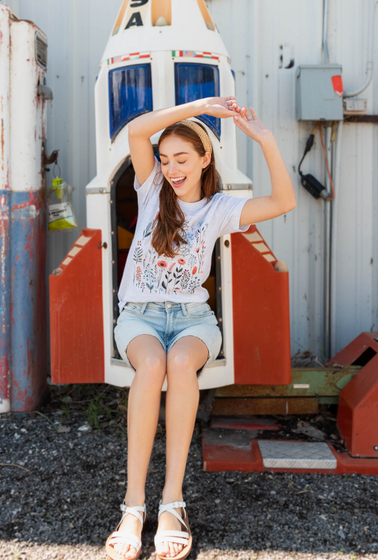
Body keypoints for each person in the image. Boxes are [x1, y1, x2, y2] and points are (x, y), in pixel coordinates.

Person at [105, 96, 296, 560]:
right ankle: (133, 506)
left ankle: (172, 502)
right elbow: (137, 130)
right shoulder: (151, 190)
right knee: (151, 364)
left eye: (182, 159)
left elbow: (284, 201)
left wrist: (266, 140)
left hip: (193, 320)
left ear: (205, 158)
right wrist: (201, 105)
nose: (171, 168)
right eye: (165, 159)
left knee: (178, 362)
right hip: (140, 317)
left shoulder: (219, 209)